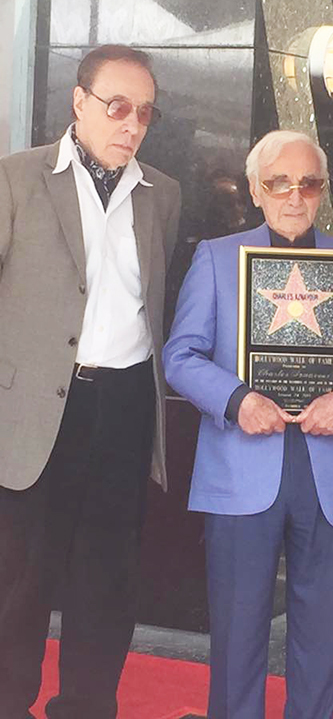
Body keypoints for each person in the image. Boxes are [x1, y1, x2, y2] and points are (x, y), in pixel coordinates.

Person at [163, 130, 333, 719]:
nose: (294, 195)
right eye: (278, 182)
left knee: (325, 633)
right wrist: (236, 399)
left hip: (329, 470)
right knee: (237, 625)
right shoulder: (217, 259)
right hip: (239, 464)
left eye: (309, 183)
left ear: (322, 191)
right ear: (255, 188)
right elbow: (180, 356)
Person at [0, 44, 181, 719]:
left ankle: (85, 707)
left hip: (125, 407)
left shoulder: (164, 194)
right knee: (18, 582)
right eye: (117, 107)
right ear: (79, 104)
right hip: (36, 412)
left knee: (106, 580)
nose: (131, 124)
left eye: (144, 113)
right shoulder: (16, 180)